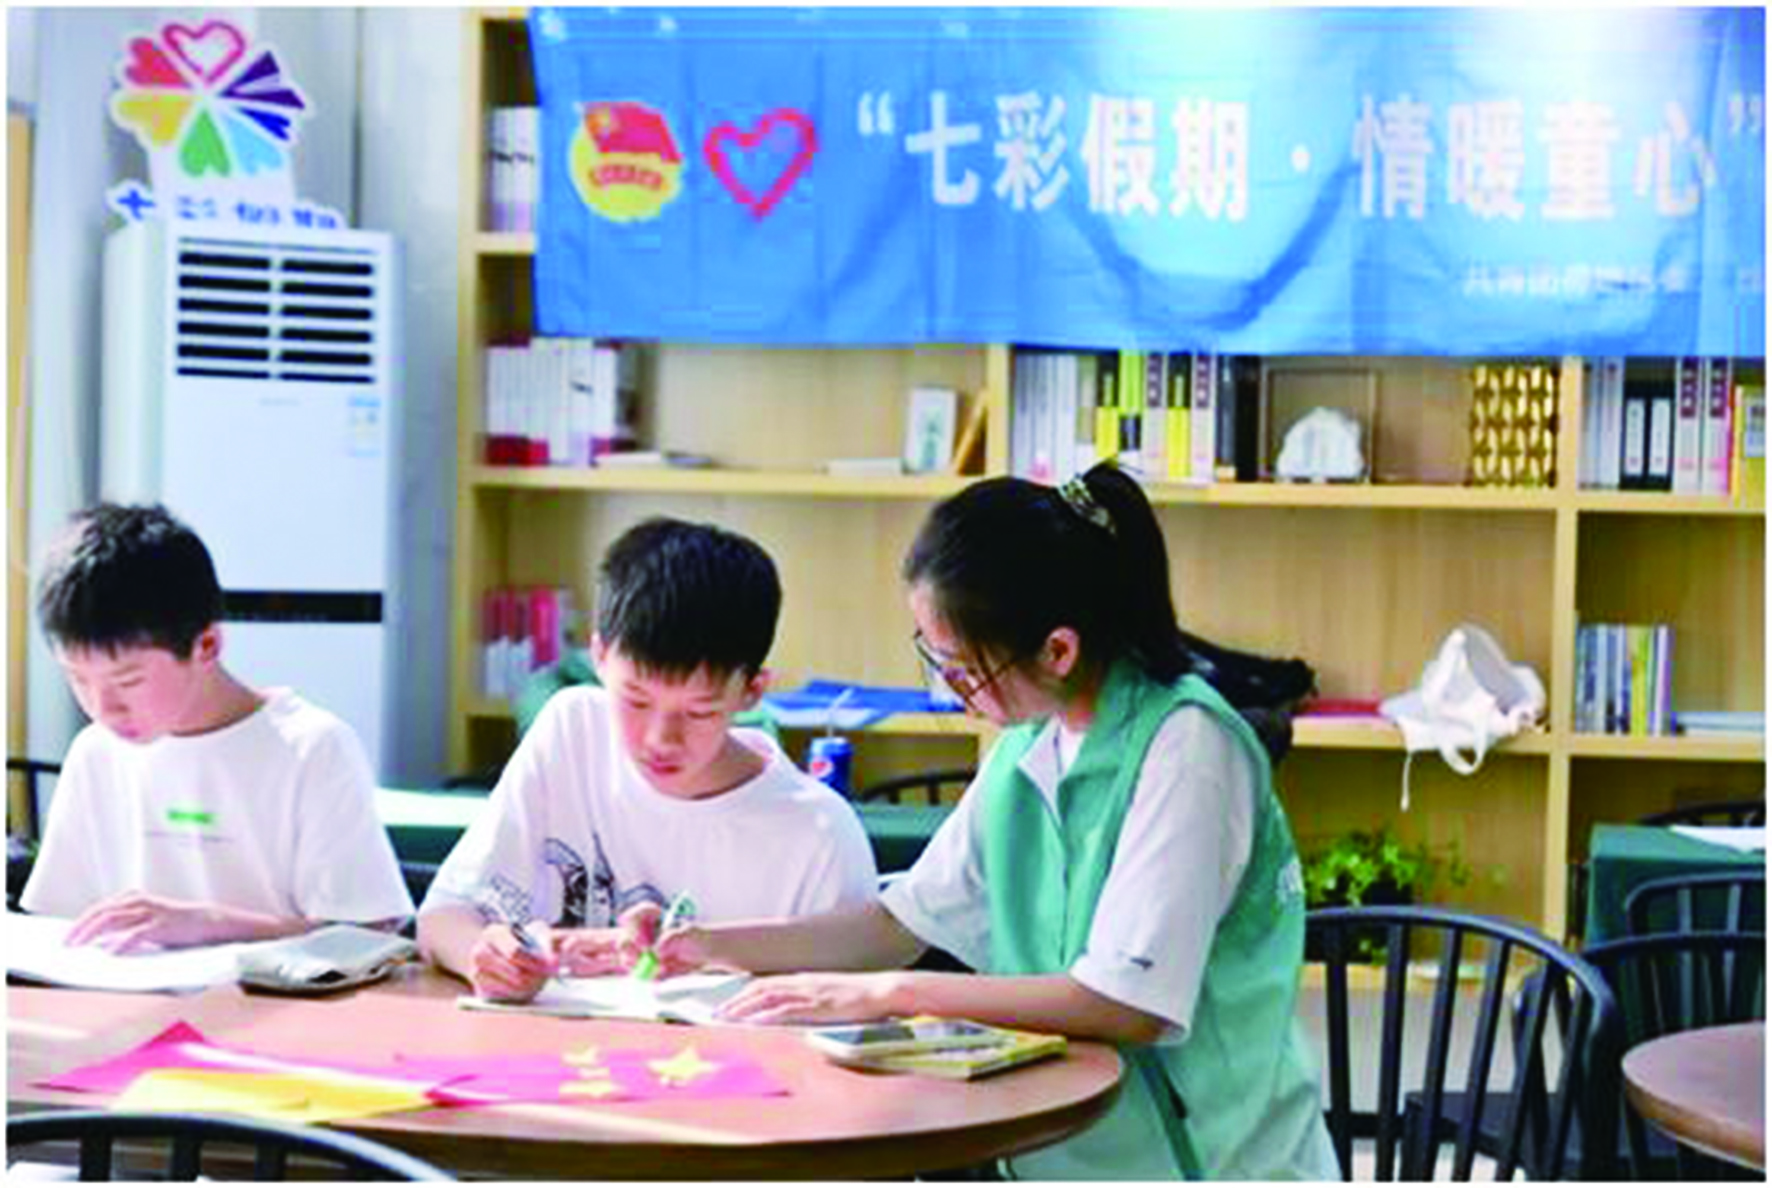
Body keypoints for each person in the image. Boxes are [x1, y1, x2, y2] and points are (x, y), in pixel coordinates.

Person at [622, 462, 1338, 1180]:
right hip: (1069, 1151)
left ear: (1058, 650)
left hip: (1208, 1160)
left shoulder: (1188, 749)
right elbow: (899, 923)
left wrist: (894, 996)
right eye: (936, 660)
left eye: (965, 669)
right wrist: (711, 945)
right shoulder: (1030, 742)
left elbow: (1127, 1003)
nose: (953, 690)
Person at [417, 516, 878, 1003]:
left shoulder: (817, 835)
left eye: (698, 711)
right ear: (599, 656)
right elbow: (441, 918)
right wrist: (486, 958)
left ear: (752, 691)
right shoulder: (572, 730)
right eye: (636, 700)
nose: (661, 739)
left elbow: (849, 1005)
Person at [21, 503, 412, 949]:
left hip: (269, 993)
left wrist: (209, 923)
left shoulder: (311, 748)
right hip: (130, 992)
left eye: (128, 681)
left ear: (206, 645)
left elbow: (370, 934)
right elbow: (57, 927)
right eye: (78, 679)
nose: (103, 708)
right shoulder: (96, 751)